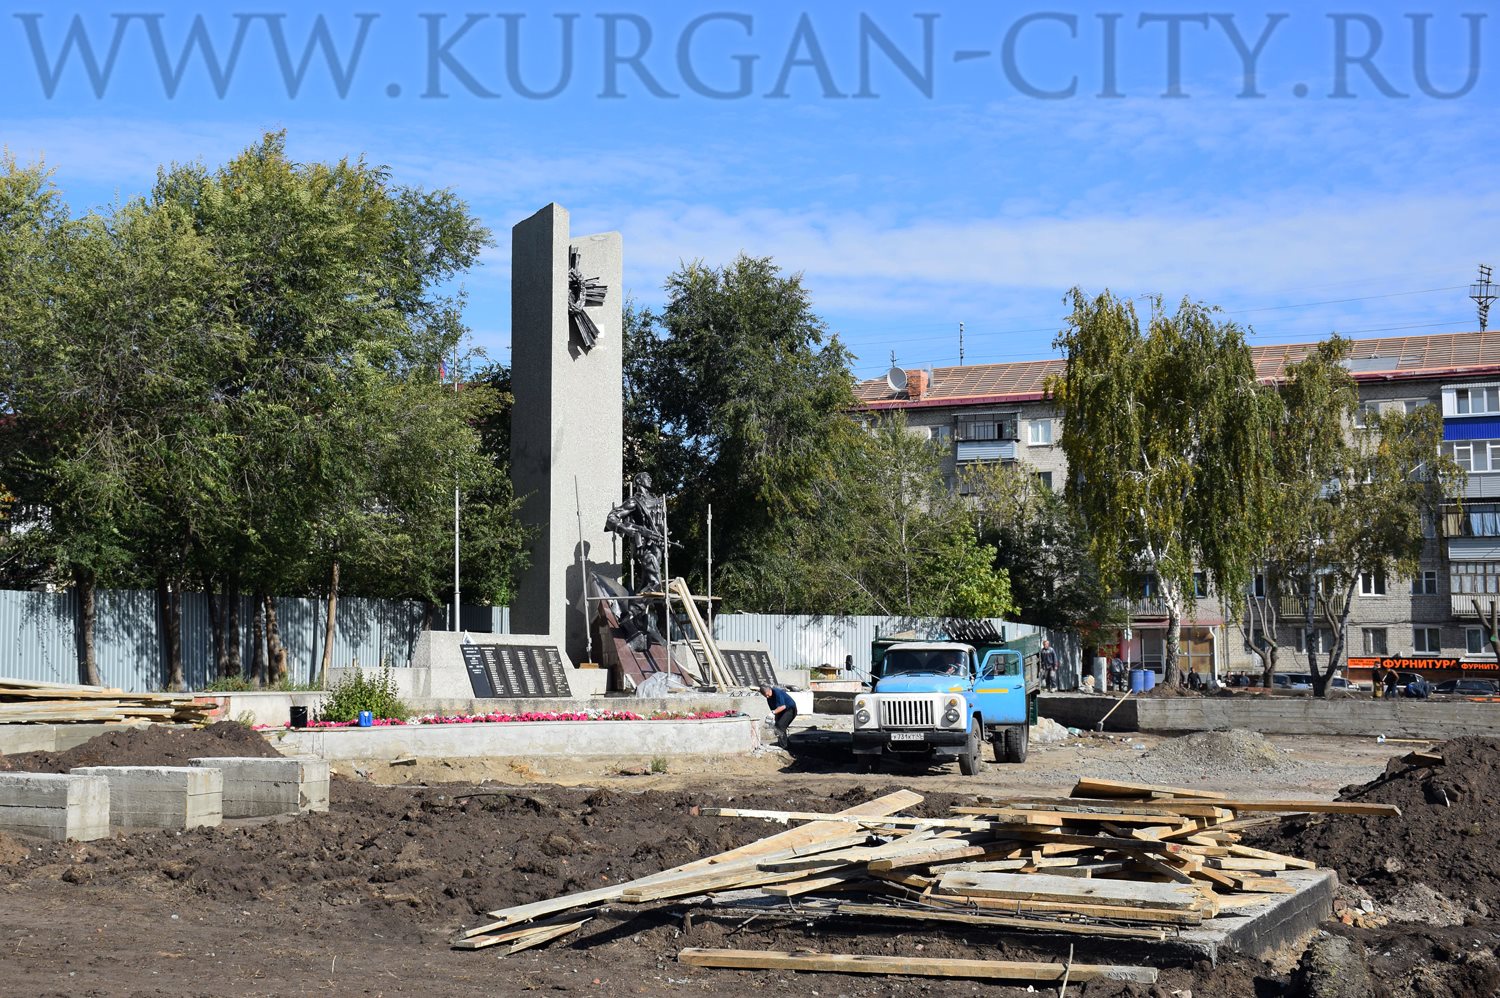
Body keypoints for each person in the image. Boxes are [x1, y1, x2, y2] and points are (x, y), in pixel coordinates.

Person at [760, 684, 798, 748]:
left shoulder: (777, 692)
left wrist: (773, 713)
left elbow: (782, 706)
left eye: (767, 694)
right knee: (777, 726)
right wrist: (774, 719)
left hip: (790, 709)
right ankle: (786, 744)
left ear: (770, 690)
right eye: (765, 696)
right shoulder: (769, 698)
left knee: (780, 726)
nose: (767, 696)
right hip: (781, 711)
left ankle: (783, 745)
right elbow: (775, 710)